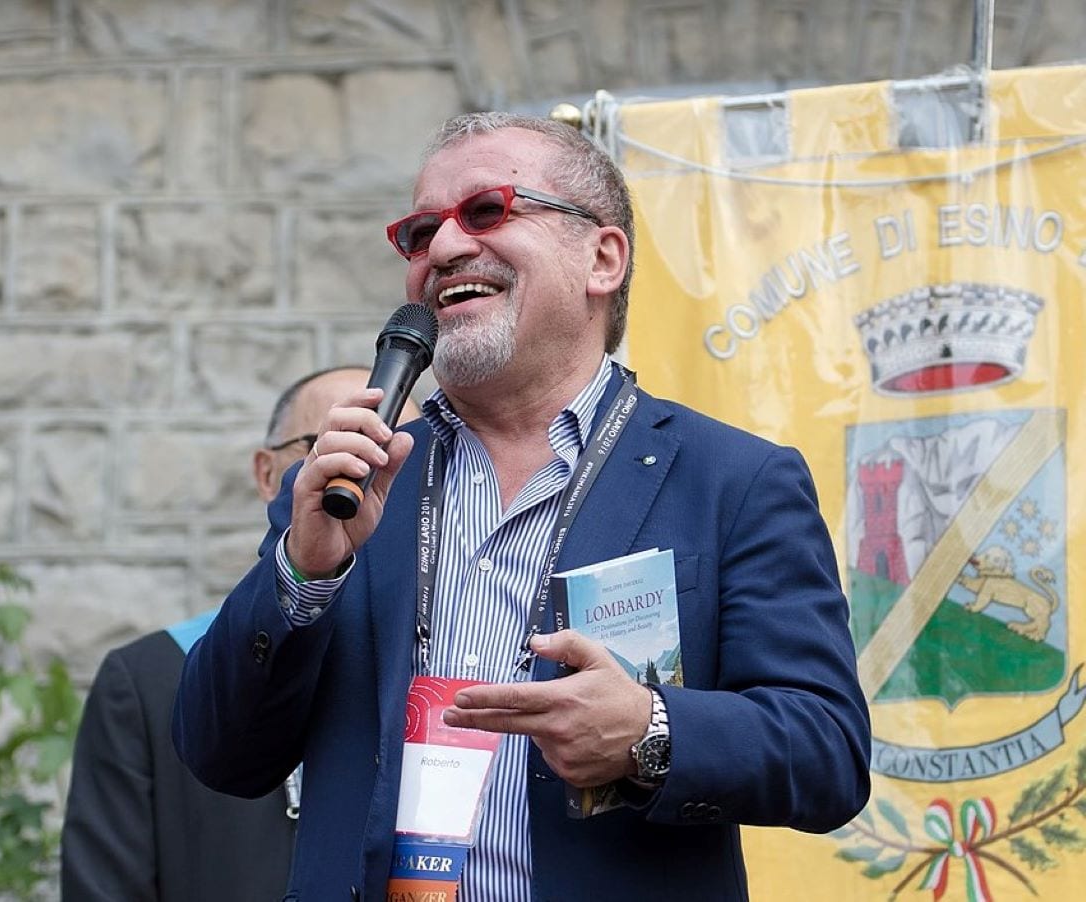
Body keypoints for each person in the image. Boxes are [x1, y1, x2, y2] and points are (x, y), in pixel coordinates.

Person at [173, 113, 871, 901]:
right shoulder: (352, 481)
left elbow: (828, 752)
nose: (443, 247)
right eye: (420, 231)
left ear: (602, 259)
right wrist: (305, 573)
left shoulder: (732, 482)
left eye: (487, 210)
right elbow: (216, 752)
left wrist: (650, 731)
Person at [63, 366, 416, 902]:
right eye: (325, 443)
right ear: (267, 473)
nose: (361, 467)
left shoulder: (439, 659)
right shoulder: (146, 680)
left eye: (387, 450)